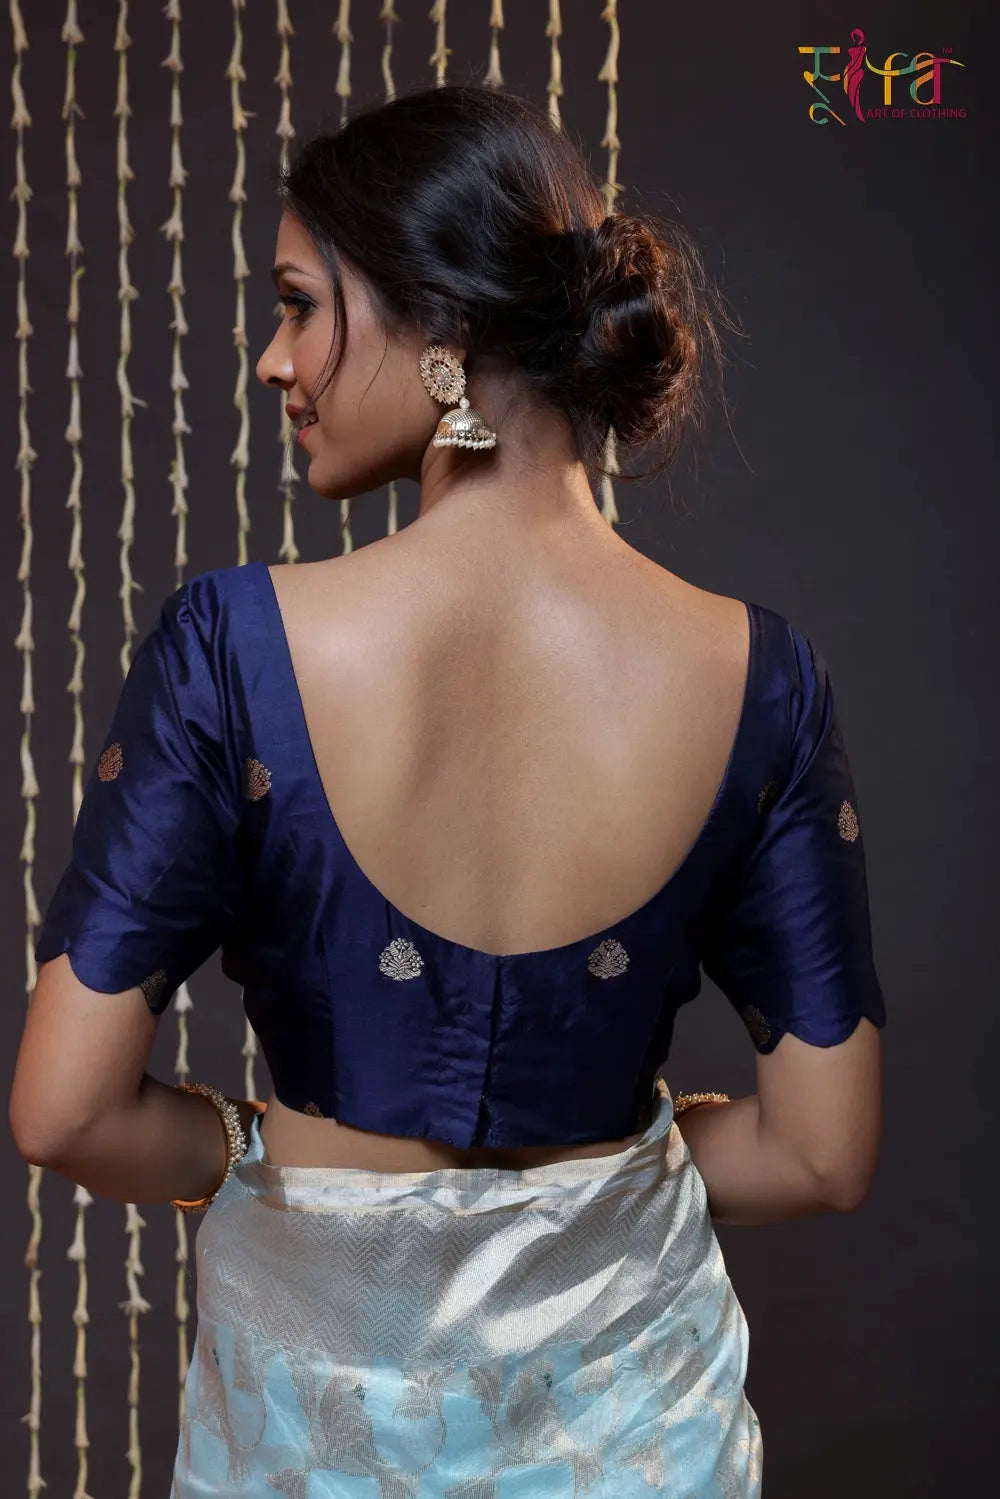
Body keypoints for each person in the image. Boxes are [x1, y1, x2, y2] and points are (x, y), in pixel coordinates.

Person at [10, 83, 885, 1497]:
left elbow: (65, 1114)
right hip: (639, 1434)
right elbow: (821, 1154)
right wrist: (602, 1179)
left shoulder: (232, 649)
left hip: (313, 1434)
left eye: (300, 306)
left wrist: (258, 1151)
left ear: (445, 329)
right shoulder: (761, 677)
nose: (273, 362)